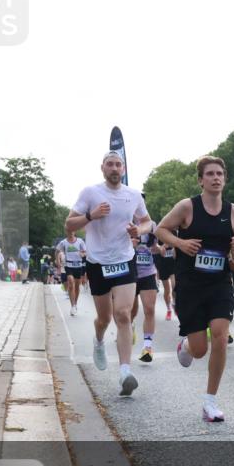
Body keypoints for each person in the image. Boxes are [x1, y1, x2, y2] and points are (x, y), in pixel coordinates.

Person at [156, 156, 234, 423]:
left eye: (220, 173)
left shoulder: (233, 212)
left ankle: (210, 401)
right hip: (190, 285)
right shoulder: (187, 207)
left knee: (220, 336)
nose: (216, 177)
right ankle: (185, 345)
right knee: (199, 350)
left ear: (224, 178)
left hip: (219, 283)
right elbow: (161, 229)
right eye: (210, 174)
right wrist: (180, 244)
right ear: (201, 180)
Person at [65, 150, 152, 396]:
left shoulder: (133, 195)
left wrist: (139, 229)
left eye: (118, 165)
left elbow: (148, 222)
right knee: (104, 318)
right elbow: (69, 224)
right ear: (102, 168)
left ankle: (125, 371)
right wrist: (91, 216)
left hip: (124, 259)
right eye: (110, 164)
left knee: (123, 314)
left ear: (123, 170)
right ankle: (99, 340)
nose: (114, 168)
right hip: (97, 262)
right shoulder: (90, 193)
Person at [131, 217, 161, 363]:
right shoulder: (125, 223)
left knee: (149, 309)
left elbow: (155, 246)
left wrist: (158, 249)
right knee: (130, 310)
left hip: (148, 272)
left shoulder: (151, 224)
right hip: (129, 273)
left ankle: (147, 347)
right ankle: (129, 326)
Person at [56, 233, 87, 315]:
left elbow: (85, 252)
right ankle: (72, 305)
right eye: (68, 230)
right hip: (68, 265)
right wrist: (58, 262)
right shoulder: (63, 242)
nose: (70, 232)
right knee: (70, 282)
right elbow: (57, 251)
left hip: (78, 266)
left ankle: (75, 304)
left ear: (74, 232)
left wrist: (82, 254)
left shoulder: (80, 241)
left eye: (72, 230)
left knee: (77, 286)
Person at [153, 232, 176, 320]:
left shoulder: (174, 233)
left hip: (173, 264)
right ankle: (169, 309)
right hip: (162, 265)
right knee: (167, 289)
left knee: (174, 286)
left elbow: (178, 245)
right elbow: (155, 249)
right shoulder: (158, 234)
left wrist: (174, 246)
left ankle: (174, 304)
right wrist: (161, 248)